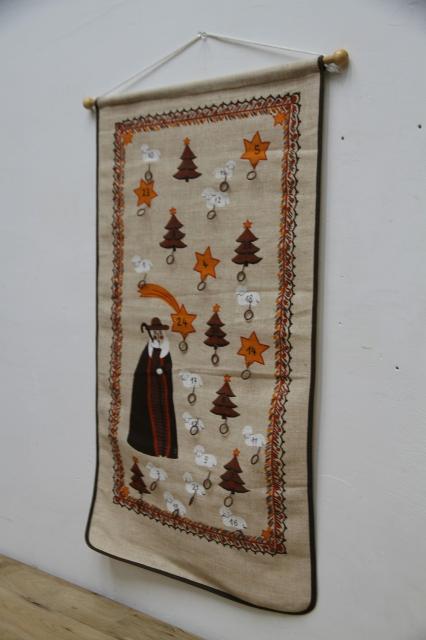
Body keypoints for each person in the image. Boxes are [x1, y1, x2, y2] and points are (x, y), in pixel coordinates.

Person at [127, 317, 178, 458]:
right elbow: (141, 370)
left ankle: (166, 449)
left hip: (163, 390)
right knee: (146, 419)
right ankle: (148, 447)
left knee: (165, 419)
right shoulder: (148, 349)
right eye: (155, 331)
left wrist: (163, 370)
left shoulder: (166, 349)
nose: (157, 334)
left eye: (159, 332)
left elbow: (169, 365)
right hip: (148, 391)